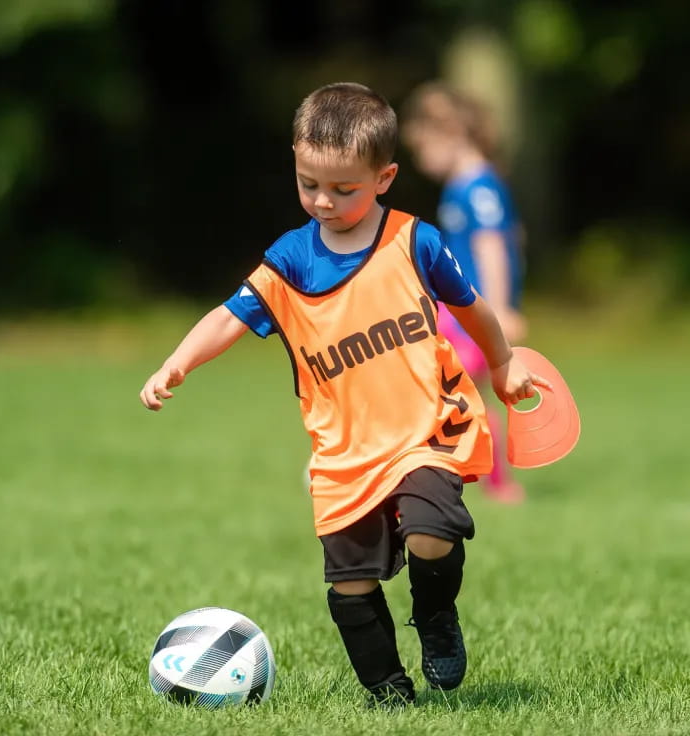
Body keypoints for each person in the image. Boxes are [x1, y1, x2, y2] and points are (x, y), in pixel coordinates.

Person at [139, 82, 546, 708]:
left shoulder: (415, 242)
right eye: (308, 185)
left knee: (433, 533)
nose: (322, 201)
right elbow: (228, 316)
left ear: (384, 177)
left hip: (425, 432)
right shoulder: (291, 260)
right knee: (351, 587)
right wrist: (178, 362)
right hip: (343, 454)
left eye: (343, 189)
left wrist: (503, 363)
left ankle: (436, 619)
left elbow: (474, 308)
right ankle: (388, 693)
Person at [401, 81, 529, 504]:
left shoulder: (479, 187)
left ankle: (484, 480)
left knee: (446, 390)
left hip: (467, 312)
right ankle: (491, 481)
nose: (423, 161)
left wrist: (499, 308)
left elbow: (493, 245)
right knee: (457, 392)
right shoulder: (464, 186)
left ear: (452, 132)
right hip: (455, 310)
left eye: (425, 149)